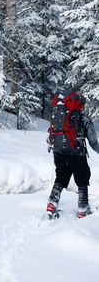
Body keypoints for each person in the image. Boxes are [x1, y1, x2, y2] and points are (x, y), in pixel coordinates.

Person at [47, 89, 99, 218]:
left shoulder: (58, 115)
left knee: (60, 179)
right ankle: (83, 209)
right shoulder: (83, 119)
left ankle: (52, 204)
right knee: (82, 180)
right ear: (81, 104)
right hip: (77, 154)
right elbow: (93, 142)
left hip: (58, 152)